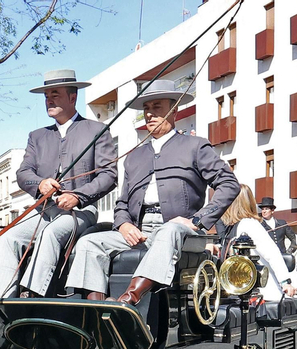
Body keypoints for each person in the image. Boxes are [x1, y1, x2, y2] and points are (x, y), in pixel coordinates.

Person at [66, 79, 240, 307]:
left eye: (157, 107)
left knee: (169, 231)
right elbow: (122, 203)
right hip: (141, 232)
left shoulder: (195, 146)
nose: (150, 114)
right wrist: (124, 225)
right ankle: (96, 310)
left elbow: (229, 184)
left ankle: (128, 301)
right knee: (89, 242)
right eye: (146, 109)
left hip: (185, 234)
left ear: (174, 110)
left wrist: (197, 220)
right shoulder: (134, 157)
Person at [0, 69, 119, 298]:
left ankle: (32, 296)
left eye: (55, 94)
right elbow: (23, 173)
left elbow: (109, 175)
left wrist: (78, 196)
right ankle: (1, 301)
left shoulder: (97, 131)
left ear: (73, 97)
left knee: (51, 234)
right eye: (46, 95)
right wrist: (40, 184)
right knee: (8, 237)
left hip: (82, 211)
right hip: (43, 211)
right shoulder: (37, 136)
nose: (49, 100)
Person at [223, 186, 297, 312]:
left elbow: (272, 253)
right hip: (252, 295)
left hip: (257, 296)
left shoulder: (244, 225)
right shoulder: (242, 225)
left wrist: (285, 281)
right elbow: (272, 253)